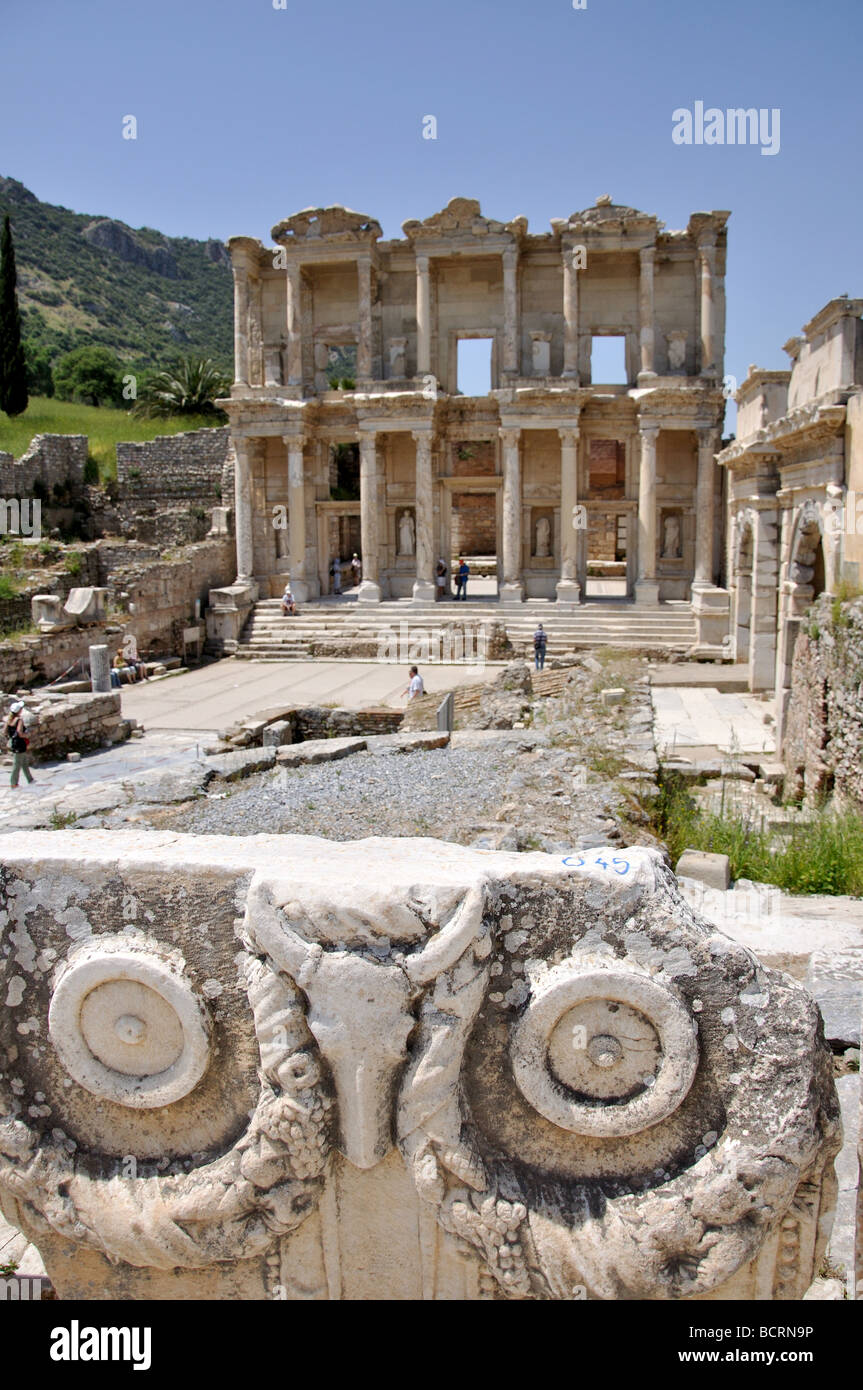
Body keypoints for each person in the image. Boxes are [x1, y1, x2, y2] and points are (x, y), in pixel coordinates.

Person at [5, 700, 34, 788]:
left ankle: (30, 779)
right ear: (19, 711)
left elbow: (5, 731)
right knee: (17, 764)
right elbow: (19, 732)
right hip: (20, 744)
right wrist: (27, 735)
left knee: (24, 762)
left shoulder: (9, 720)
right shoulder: (19, 720)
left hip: (14, 744)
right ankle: (13, 782)